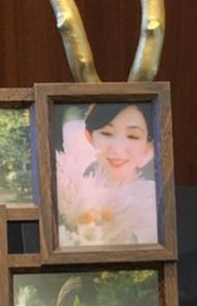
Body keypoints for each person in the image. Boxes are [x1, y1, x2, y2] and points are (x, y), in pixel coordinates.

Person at [54, 103, 158, 247]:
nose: (117, 150)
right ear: (89, 136)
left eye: (133, 136)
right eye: (107, 133)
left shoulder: (153, 200)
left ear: (148, 147)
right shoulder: (70, 193)